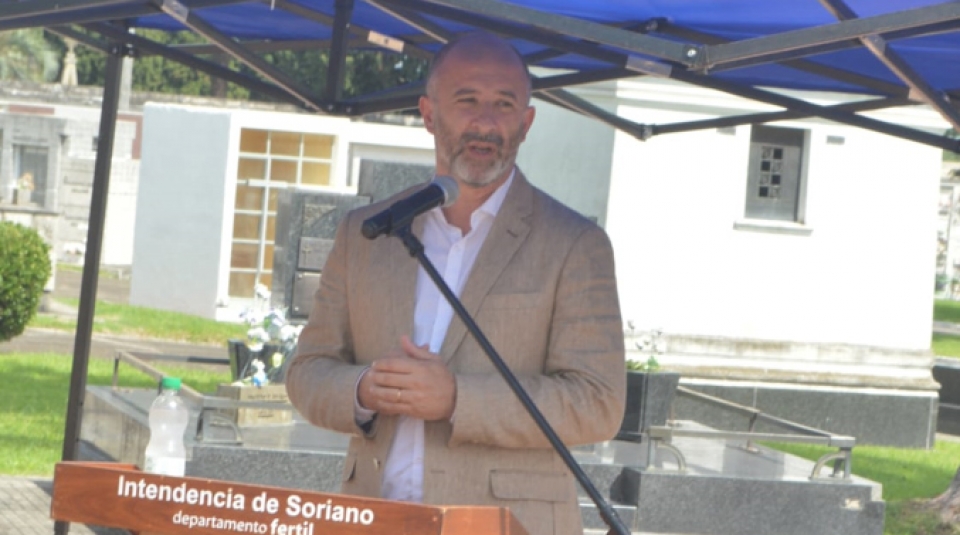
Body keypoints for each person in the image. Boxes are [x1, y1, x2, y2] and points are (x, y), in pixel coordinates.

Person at [286, 31, 625, 535]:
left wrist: (458, 399)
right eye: (467, 101)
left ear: (526, 122)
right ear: (428, 114)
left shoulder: (575, 243)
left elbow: (598, 403)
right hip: (373, 521)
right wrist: (364, 389)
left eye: (504, 104)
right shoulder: (367, 234)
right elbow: (307, 372)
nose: (485, 122)